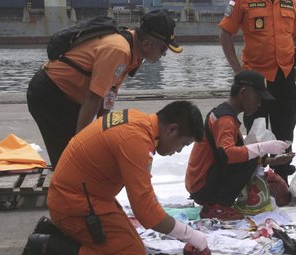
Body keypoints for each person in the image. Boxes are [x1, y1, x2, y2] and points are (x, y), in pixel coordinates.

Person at [22, 101, 208, 255]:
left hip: (83, 197)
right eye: (183, 144)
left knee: (135, 247)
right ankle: (49, 246)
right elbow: (146, 213)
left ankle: (55, 230)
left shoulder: (138, 120)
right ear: (172, 130)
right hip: (74, 204)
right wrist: (190, 235)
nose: (178, 151)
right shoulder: (136, 140)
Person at [27, 9, 182, 166]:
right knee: (70, 159)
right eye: (163, 50)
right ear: (147, 44)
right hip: (49, 95)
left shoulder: (133, 52)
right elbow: (94, 97)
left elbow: (110, 92)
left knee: (79, 156)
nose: (163, 55)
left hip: (69, 98)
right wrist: (81, 142)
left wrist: (102, 130)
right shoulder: (119, 50)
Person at [219, 0, 296, 180]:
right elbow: (225, 33)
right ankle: (254, 179)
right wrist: (238, 71)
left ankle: (282, 180)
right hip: (256, 81)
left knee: (285, 130)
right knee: (256, 133)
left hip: (285, 77)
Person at [185, 70, 293, 220]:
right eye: (257, 98)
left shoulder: (227, 115)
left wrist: (270, 161)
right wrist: (265, 147)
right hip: (202, 186)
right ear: (243, 92)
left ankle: (218, 203)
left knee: (249, 154)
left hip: (205, 180)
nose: (259, 104)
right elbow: (230, 154)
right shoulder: (225, 119)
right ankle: (217, 207)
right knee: (249, 153)